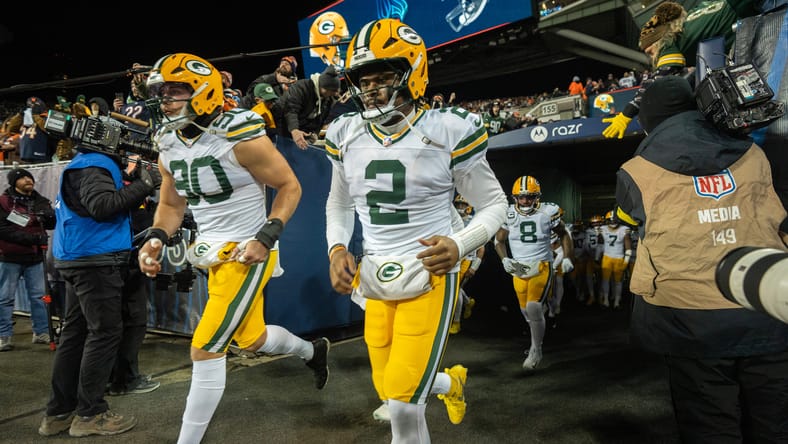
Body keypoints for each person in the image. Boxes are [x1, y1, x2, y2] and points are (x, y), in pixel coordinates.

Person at [324, 19, 508, 443]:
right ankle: (451, 383)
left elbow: (495, 204)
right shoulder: (346, 133)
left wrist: (460, 244)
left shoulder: (446, 129)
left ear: (413, 74)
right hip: (375, 272)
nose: (370, 89)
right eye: (363, 80)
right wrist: (336, 247)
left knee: (403, 402)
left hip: (431, 271)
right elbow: (339, 201)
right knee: (389, 387)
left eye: (383, 77)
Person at [137, 52, 329, 444]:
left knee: (206, 347)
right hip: (212, 252)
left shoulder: (237, 135)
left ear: (204, 91)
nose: (166, 100)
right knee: (251, 338)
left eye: (175, 91)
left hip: (247, 251)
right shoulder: (169, 142)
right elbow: (172, 205)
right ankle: (313, 351)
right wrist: (156, 237)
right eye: (161, 92)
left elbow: (290, 186)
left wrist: (266, 236)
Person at [615, 75, 788, 443]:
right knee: (775, 426)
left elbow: (629, 218)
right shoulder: (754, 152)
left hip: (691, 322)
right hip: (768, 307)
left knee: (711, 429)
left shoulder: (636, 170)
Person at [38, 124, 159, 437]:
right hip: (95, 260)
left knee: (75, 335)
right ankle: (91, 413)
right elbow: (102, 207)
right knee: (104, 332)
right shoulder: (95, 164)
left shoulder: (82, 164)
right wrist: (146, 184)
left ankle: (59, 413)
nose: (126, 143)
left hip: (79, 258)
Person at [602, 0, 756, 139]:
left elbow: (656, 81)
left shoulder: (668, 42)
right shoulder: (690, 24)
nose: (651, 58)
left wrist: (626, 114)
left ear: (657, 40)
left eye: (650, 52)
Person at [494, 176, 573, 370]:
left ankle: (536, 349)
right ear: (515, 198)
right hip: (519, 268)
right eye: (521, 197)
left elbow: (564, 234)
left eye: (529, 197)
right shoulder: (509, 213)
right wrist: (505, 259)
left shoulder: (548, 212)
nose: (525, 201)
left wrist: (568, 257)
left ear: (537, 197)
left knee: (533, 307)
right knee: (526, 311)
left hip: (541, 265)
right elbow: (498, 241)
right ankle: (536, 335)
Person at [106, 155, 161, 397]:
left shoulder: (129, 192)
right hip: (123, 263)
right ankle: (123, 380)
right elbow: (135, 222)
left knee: (121, 323)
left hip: (121, 263)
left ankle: (118, 378)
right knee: (133, 321)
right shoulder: (122, 191)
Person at [0, 168, 56, 351]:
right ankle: (3, 335)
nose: (27, 180)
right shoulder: (4, 202)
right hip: (9, 257)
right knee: (5, 298)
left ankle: (41, 332)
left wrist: (50, 217)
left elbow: (50, 224)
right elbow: (3, 230)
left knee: (40, 297)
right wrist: (32, 239)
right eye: (22, 177)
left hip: (35, 257)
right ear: (14, 182)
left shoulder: (41, 202)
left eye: (29, 177)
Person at [273, 64, 340, 150]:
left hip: (294, 130)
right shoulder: (301, 87)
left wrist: (313, 133)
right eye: (333, 90)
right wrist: (294, 130)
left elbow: (320, 120)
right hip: (279, 125)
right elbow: (291, 110)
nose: (335, 94)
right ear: (323, 87)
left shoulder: (328, 100)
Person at [448, 194, 484, 334]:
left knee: (455, 291)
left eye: (462, 205)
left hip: (467, 259)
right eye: (457, 205)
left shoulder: (474, 222)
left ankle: (456, 322)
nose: (460, 208)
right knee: (454, 289)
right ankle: (468, 302)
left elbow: (481, 248)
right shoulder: (450, 221)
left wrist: (474, 267)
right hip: (453, 258)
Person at [596, 210, 632, 309]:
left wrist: (626, 260)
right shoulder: (602, 229)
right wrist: (597, 257)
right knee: (605, 280)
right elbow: (600, 245)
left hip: (619, 258)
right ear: (606, 221)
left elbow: (628, 246)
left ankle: (616, 301)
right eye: (610, 221)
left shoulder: (624, 229)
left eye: (614, 220)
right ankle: (606, 299)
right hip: (607, 257)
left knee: (618, 281)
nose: (612, 223)